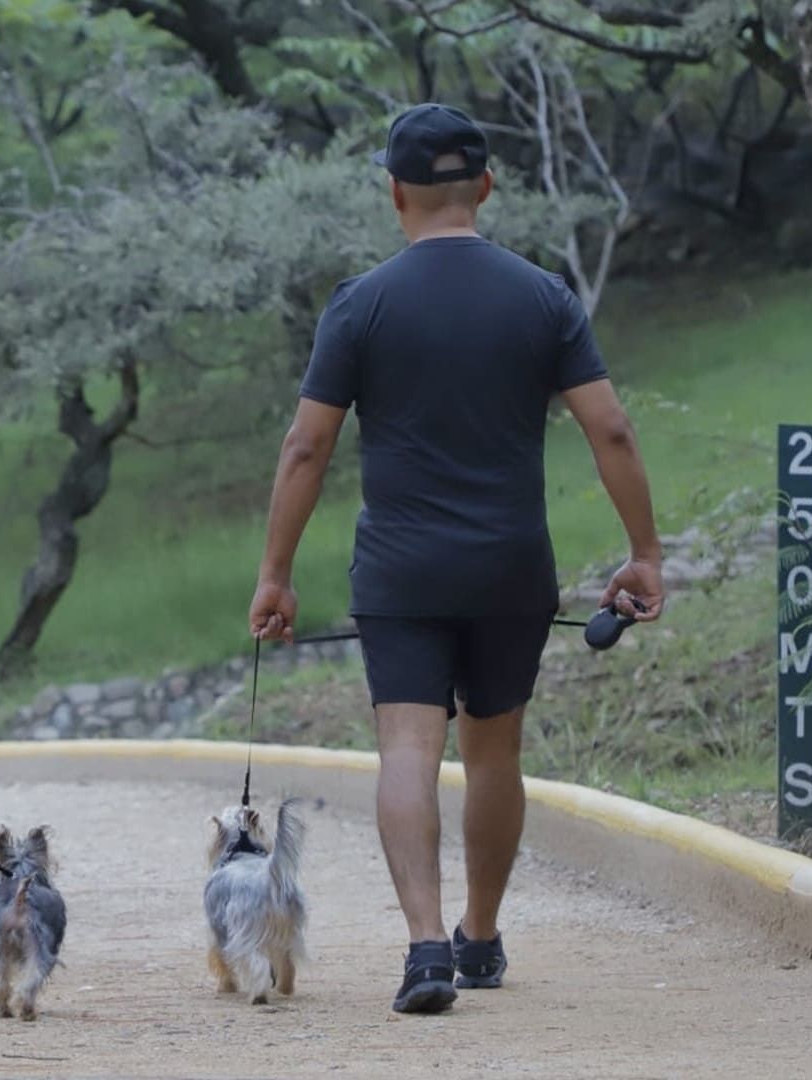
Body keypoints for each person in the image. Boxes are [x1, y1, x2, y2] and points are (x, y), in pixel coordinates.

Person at [247, 103, 665, 1015]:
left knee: (406, 745)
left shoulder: (361, 304)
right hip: (512, 566)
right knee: (494, 750)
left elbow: (305, 449)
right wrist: (643, 553)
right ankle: (481, 937)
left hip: (401, 569)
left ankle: (426, 948)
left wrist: (276, 574)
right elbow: (612, 429)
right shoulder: (545, 296)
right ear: (486, 185)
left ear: (394, 192)